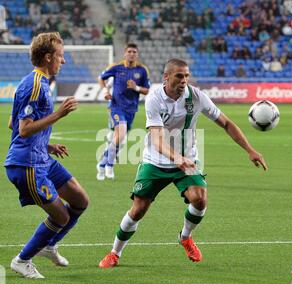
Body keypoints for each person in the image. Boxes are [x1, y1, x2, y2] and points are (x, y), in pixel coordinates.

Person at [98, 58, 268, 268]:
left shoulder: (197, 96)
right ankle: (115, 252)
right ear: (166, 77)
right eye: (179, 76)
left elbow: (226, 123)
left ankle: (185, 237)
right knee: (138, 210)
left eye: (187, 76)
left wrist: (250, 150)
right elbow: (157, 139)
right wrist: (176, 158)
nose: (184, 80)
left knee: (200, 199)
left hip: (186, 161)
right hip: (155, 161)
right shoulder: (154, 98)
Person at [4, 32, 89, 279]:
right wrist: (58, 115)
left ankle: (49, 245)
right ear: (48, 56)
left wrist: (48, 145)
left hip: (41, 156)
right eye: (60, 56)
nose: (63, 61)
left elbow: (12, 122)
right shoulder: (33, 85)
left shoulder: (38, 82)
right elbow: (23, 128)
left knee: (80, 200)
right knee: (60, 215)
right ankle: (22, 260)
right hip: (27, 164)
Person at [96, 43, 150, 180]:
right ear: (125, 53)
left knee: (120, 139)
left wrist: (136, 88)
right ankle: (109, 164)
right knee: (120, 135)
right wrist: (105, 91)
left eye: (134, 52)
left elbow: (147, 90)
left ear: (137, 54)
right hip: (116, 106)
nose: (131, 54)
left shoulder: (142, 70)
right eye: (129, 51)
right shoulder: (116, 67)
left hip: (131, 109)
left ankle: (102, 163)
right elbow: (101, 78)